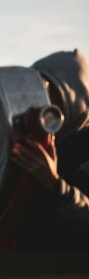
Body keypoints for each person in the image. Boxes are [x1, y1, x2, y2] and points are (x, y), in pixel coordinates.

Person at [10, 49, 89, 252]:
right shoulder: (36, 145)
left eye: (47, 91)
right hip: (28, 275)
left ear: (74, 95)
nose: (39, 102)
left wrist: (54, 185)